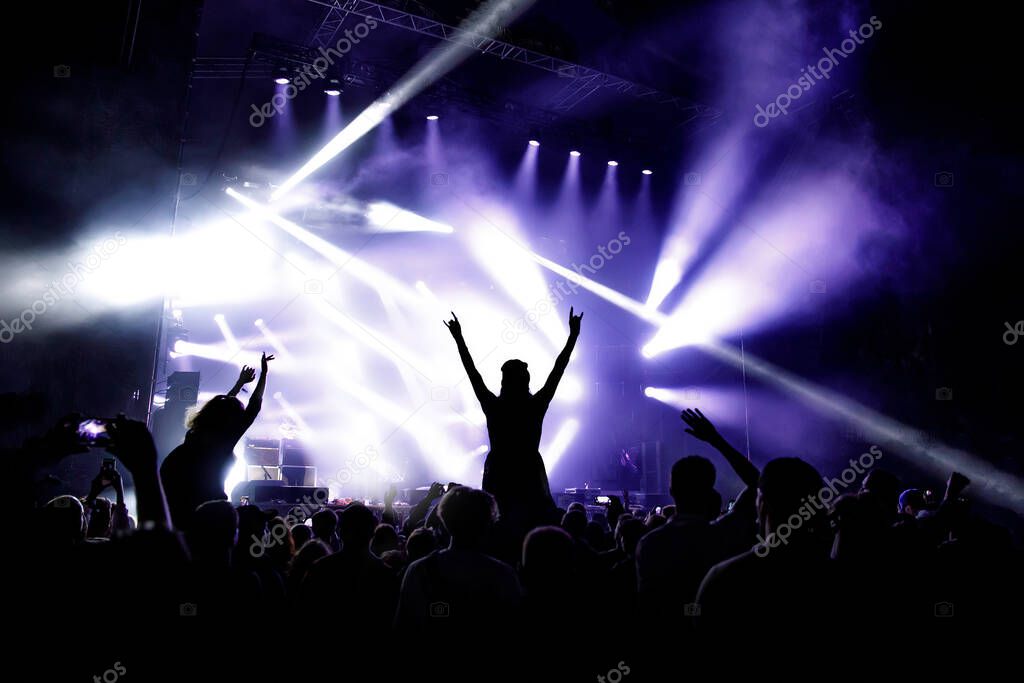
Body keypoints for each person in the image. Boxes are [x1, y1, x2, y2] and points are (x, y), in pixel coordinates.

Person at [444, 307, 582, 526]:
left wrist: (459, 338)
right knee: (533, 521)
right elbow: (558, 369)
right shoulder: (535, 405)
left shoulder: (494, 405)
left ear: (503, 382)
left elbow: (473, 374)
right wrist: (573, 336)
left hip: (500, 469)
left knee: (496, 522)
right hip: (528, 470)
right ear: (526, 380)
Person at [160, 353, 274, 530]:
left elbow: (220, 408)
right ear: (232, 419)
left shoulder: (198, 431)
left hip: (177, 503)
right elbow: (254, 406)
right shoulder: (223, 440)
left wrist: (239, 384)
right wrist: (264, 374)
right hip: (207, 506)